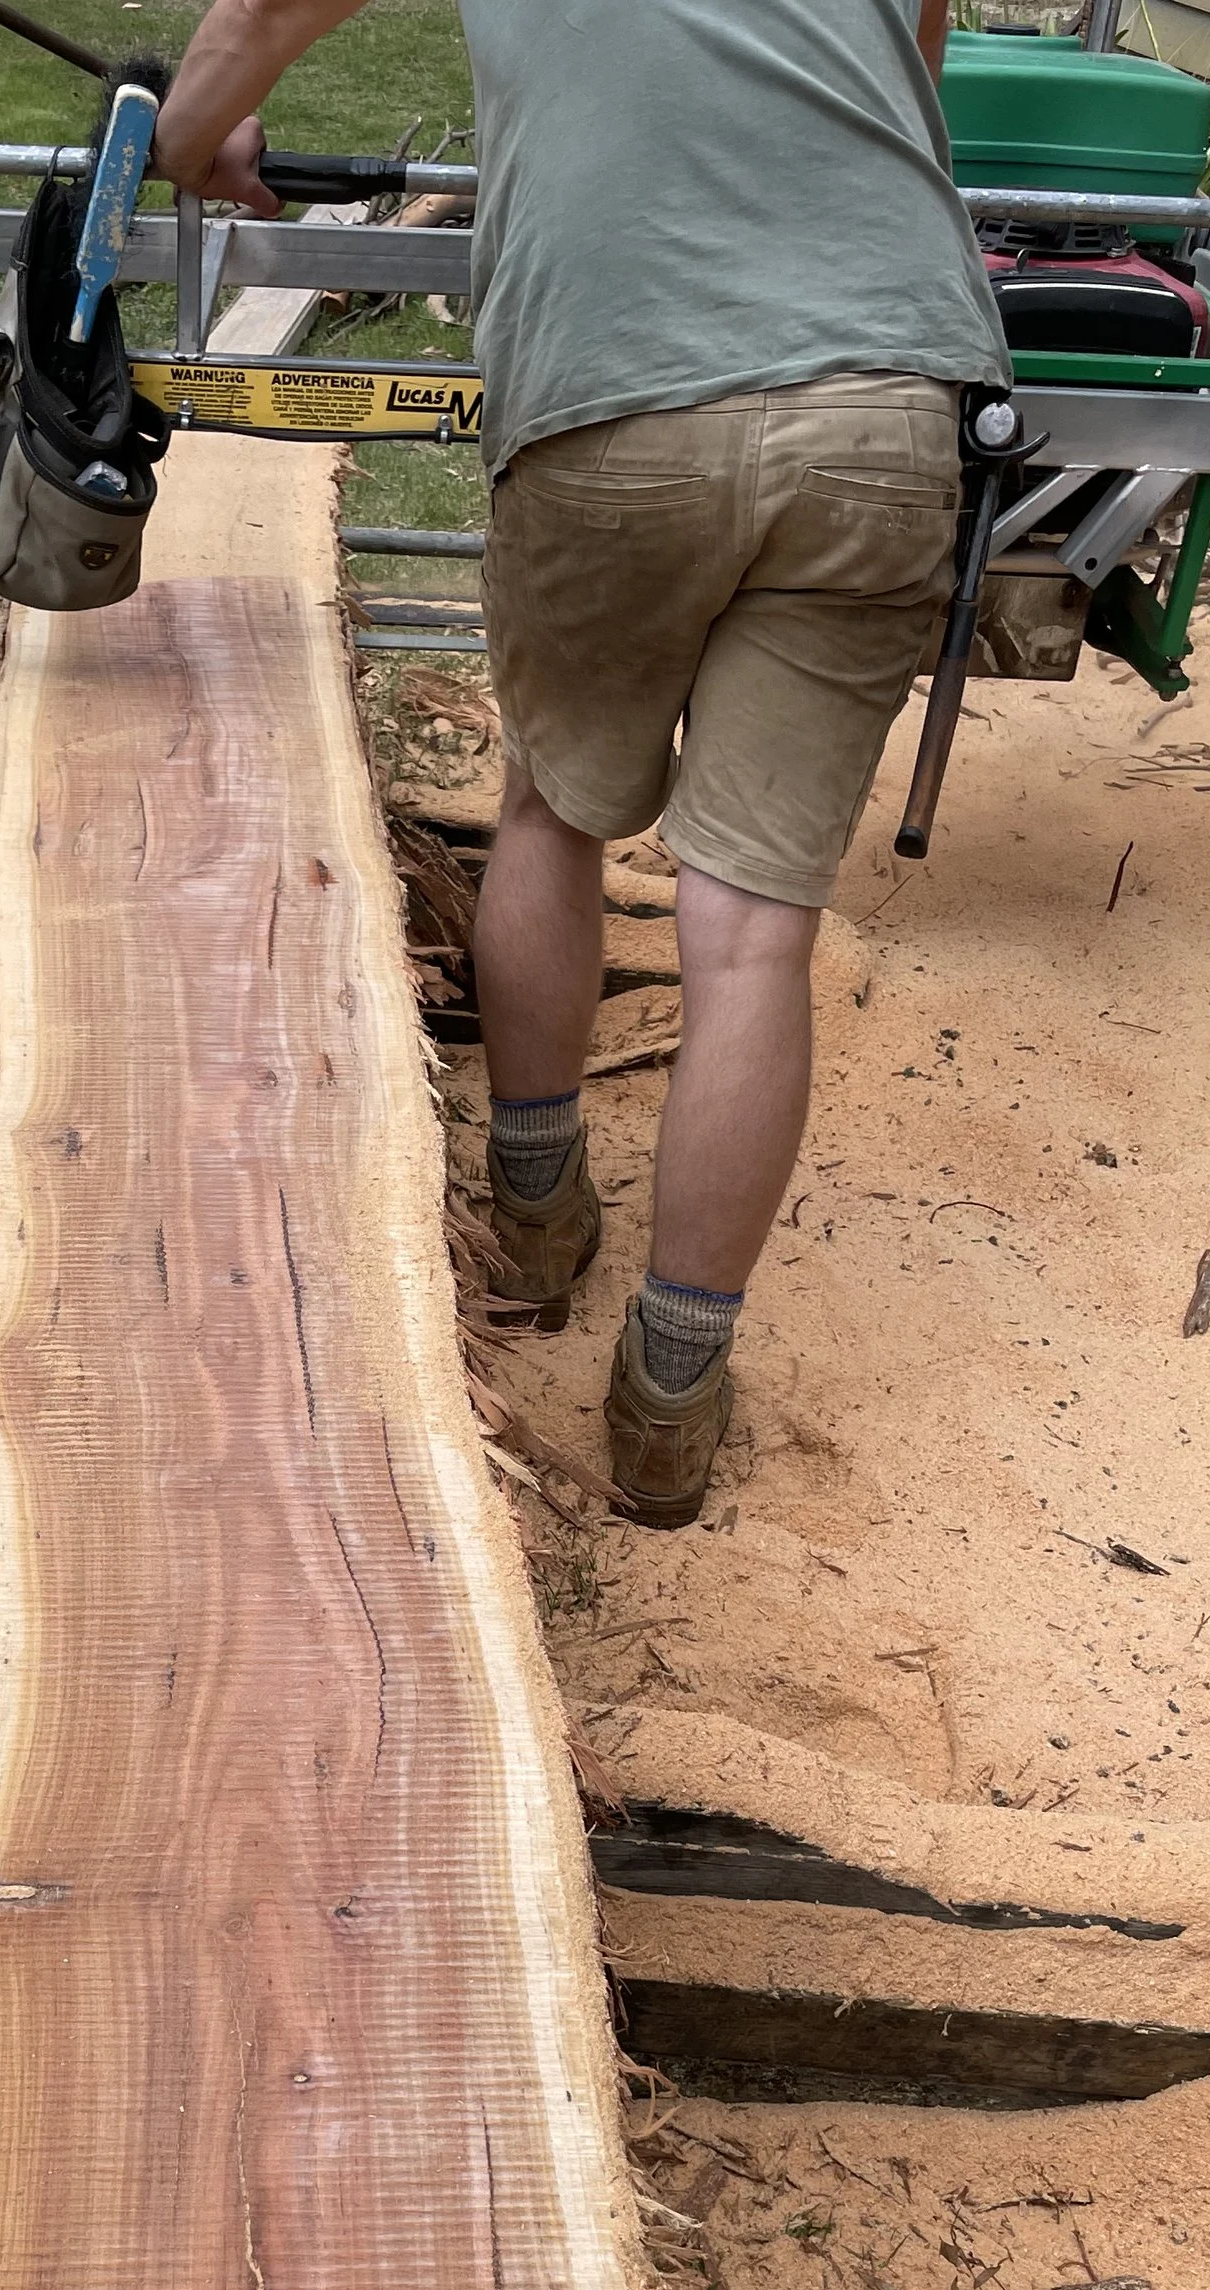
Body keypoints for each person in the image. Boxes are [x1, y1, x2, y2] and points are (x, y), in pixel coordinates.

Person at [155, 0, 1010, 1523]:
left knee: (553, 810)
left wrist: (191, 125)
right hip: (888, 398)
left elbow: (273, 6)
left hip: (617, 384)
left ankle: (537, 1213)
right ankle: (672, 1397)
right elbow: (908, 64)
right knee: (750, 935)